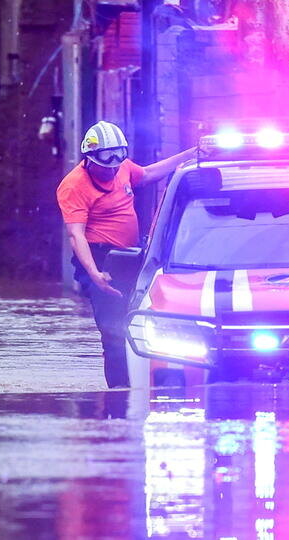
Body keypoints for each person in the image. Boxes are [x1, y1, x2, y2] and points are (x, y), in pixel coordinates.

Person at [56, 121, 197, 388]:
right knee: (113, 330)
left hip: (132, 256)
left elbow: (148, 174)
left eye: (115, 165)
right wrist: (94, 274)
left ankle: (146, 382)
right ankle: (120, 393)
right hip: (101, 260)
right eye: (104, 165)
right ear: (89, 159)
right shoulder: (73, 186)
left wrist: (189, 155)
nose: (111, 170)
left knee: (139, 321)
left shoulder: (122, 167)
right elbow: (76, 235)